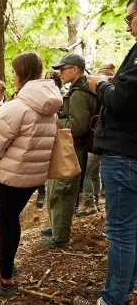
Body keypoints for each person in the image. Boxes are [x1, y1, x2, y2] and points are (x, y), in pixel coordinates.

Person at [71, 0, 137, 305]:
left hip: (125, 155)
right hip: (128, 154)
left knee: (122, 233)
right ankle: (120, 290)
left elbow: (124, 100)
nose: (128, 26)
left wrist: (102, 86)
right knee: (131, 231)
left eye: (130, 18)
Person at [0, 51, 62, 297]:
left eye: (13, 71)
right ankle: (8, 264)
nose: (11, 75)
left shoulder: (16, 107)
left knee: (6, 225)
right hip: (34, 177)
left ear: (22, 74)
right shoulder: (50, 106)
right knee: (13, 220)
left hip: (10, 177)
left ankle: (5, 282)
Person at [40, 53, 98, 247]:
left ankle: (60, 236)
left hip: (73, 150)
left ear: (75, 69)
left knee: (62, 192)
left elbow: (78, 126)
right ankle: (58, 226)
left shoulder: (80, 94)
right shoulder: (77, 90)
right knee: (58, 191)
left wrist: (56, 121)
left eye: (62, 69)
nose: (60, 73)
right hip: (70, 149)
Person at [75, 67, 111, 217]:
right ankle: (95, 202)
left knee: (88, 172)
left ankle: (90, 203)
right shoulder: (104, 99)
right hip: (100, 145)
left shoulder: (104, 100)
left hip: (96, 145)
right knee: (94, 173)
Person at [35, 69, 65, 209]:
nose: (48, 80)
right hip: (43, 135)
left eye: (51, 78)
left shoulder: (63, 95)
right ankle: (41, 194)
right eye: (46, 78)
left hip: (57, 135)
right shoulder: (41, 95)